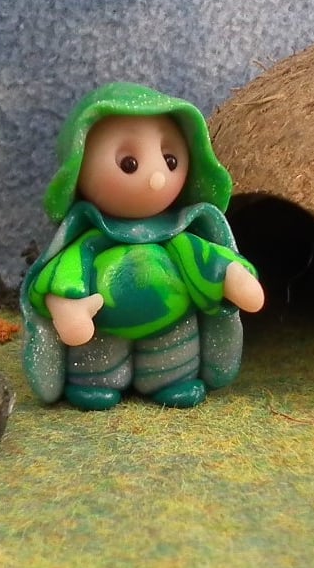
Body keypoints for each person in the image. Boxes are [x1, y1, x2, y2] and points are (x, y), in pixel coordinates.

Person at [21, 83, 264, 410]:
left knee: (174, 358)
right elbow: (64, 272)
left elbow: (203, 259)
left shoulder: (178, 237)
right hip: (104, 330)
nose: (157, 178)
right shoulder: (90, 241)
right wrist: (68, 307)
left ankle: (173, 381)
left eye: (170, 159)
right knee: (96, 362)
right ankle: (94, 384)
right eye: (129, 163)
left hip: (171, 329)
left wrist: (231, 276)